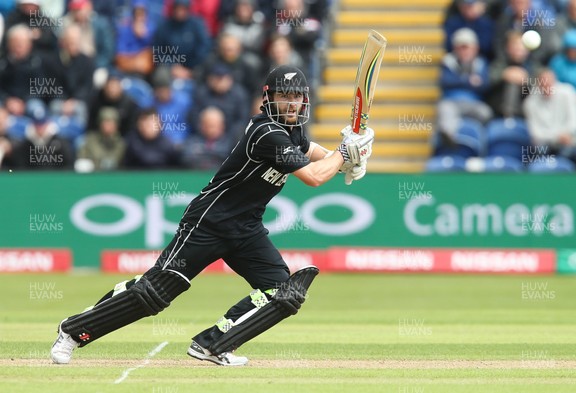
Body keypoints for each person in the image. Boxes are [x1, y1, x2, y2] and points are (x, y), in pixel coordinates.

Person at [50, 65, 373, 366]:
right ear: (267, 98)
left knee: (282, 292)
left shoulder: (293, 132)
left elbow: (314, 153)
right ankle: (72, 330)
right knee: (154, 295)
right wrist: (344, 153)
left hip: (245, 229)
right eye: (283, 96)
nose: (290, 103)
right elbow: (314, 177)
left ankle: (213, 344)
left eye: (296, 97)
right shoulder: (266, 133)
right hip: (209, 222)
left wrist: (346, 157)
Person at [437, 27, 492, 142]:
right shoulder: (447, 61)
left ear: (475, 48)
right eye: (461, 47)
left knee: (486, 113)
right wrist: (468, 81)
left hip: (474, 103)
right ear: (455, 48)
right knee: (445, 110)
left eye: (467, 47)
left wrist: (459, 80)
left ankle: (480, 144)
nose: (464, 51)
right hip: (451, 102)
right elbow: (445, 81)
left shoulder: (481, 63)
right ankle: (448, 140)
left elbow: (485, 85)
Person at [523, 68, 576, 155]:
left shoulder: (568, 92)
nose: (547, 85)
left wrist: (566, 134)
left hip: (569, 139)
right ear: (538, 84)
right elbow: (535, 132)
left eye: (550, 81)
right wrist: (557, 137)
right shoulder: (530, 102)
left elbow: (575, 122)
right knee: (538, 150)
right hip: (546, 142)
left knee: (568, 151)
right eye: (543, 82)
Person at [76, 107, 126, 171]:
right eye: (105, 122)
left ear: (116, 125)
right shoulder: (90, 140)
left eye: (111, 122)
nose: (108, 125)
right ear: (99, 123)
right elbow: (81, 161)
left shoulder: (122, 144)